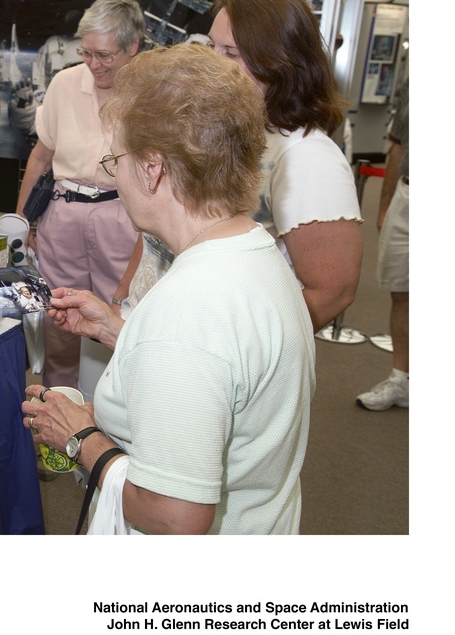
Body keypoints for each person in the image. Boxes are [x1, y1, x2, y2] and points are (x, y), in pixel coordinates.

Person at [23, 45, 315, 534]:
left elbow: (174, 519)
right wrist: (123, 331)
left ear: (153, 168)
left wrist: (79, 437)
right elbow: (226, 372)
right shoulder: (255, 251)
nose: (116, 176)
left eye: (117, 160)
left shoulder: (189, 309)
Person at [124, 0, 362, 333]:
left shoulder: (307, 156)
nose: (211, 61)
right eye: (211, 46)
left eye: (231, 53)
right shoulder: (216, 126)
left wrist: (229, 350)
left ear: (279, 60)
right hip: (148, 329)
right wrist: (121, 304)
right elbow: (156, 234)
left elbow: (332, 292)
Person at [16, 0, 145, 390]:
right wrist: (20, 222)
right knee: (58, 318)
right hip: (63, 214)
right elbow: (41, 156)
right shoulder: (65, 83)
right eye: (86, 52)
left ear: (133, 47)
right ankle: (59, 408)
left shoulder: (152, 92)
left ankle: (111, 418)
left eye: (104, 55)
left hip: (123, 218)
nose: (93, 65)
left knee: (119, 318)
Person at [357, 78, 409, 410]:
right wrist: (387, 204)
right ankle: (401, 381)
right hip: (410, 193)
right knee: (402, 291)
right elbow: (399, 142)